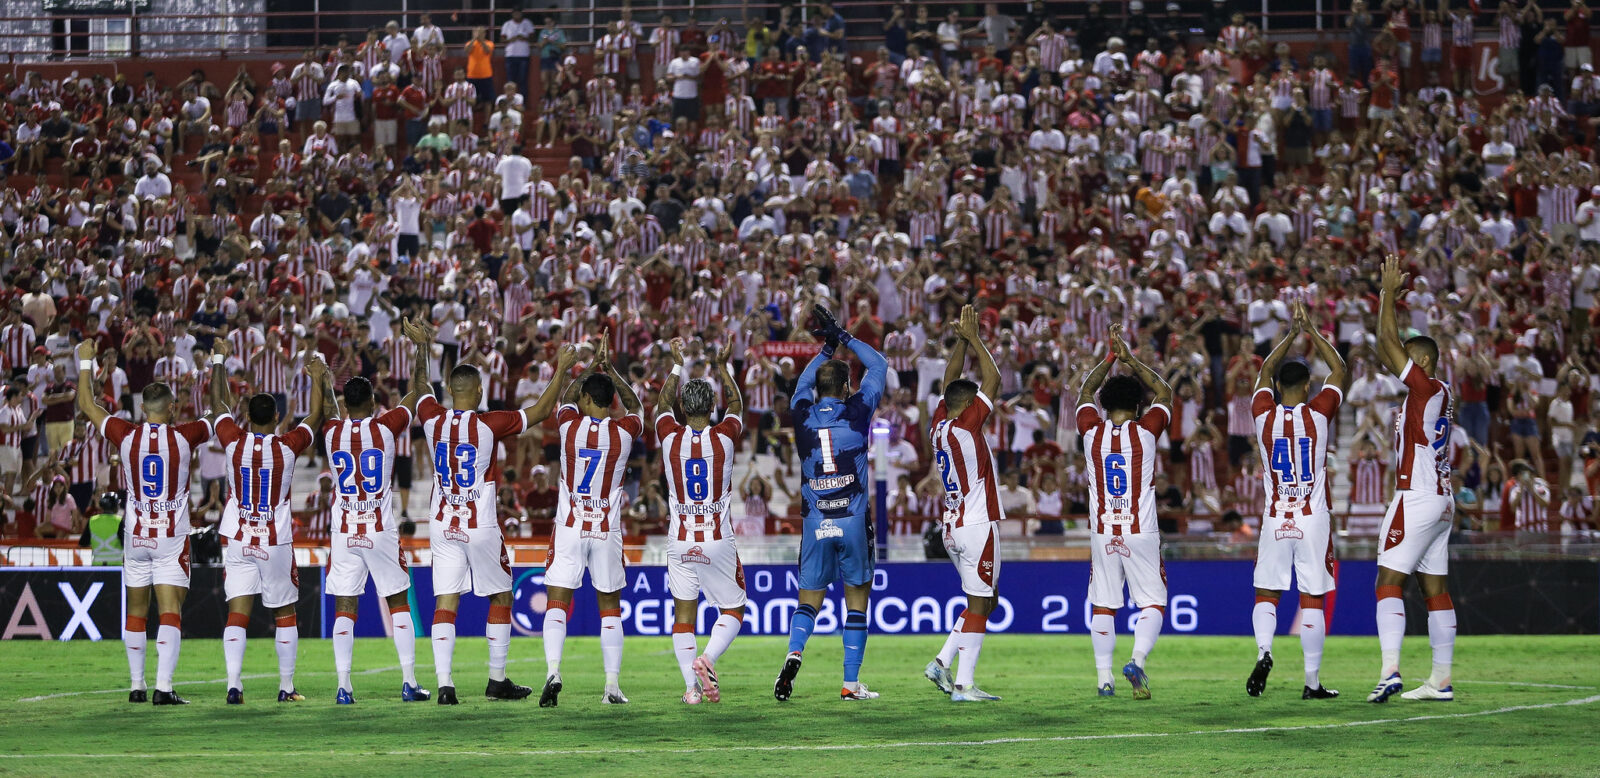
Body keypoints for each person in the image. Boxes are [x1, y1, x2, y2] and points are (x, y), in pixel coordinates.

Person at [421, 338, 577, 707]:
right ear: (477, 391)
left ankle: (445, 685)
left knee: (446, 600)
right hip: (479, 523)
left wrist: (420, 349)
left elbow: (419, 388)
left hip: (442, 523)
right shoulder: (490, 423)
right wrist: (561, 369)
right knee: (501, 594)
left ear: (449, 390)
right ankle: (496, 679)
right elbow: (539, 412)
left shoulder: (430, 417)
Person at [76, 338, 217, 706]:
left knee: (136, 611)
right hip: (170, 536)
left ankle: (137, 685)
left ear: (142, 408)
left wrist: (86, 363)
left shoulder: (126, 435)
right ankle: (163, 688)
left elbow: (87, 406)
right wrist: (217, 361)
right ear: (171, 409)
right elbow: (222, 413)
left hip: (136, 535)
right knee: (170, 610)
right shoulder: (185, 436)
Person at [774, 303, 888, 702]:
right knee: (856, 598)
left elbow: (799, 386)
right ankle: (850, 683)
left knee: (809, 601)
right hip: (853, 519)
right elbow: (880, 365)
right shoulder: (857, 412)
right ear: (844, 389)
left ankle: (794, 653)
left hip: (816, 520)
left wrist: (823, 351)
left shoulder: (802, 414)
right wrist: (844, 337)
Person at [211, 337, 329, 705]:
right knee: (284, 611)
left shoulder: (232, 440)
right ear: (277, 417)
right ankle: (286, 687)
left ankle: (234, 686)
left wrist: (219, 361)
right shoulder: (288, 445)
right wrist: (316, 380)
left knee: (237, 612)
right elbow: (315, 418)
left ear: (246, 417)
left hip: (239, 536)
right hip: (274, 538)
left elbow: (218, 406)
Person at [323, 317, 435, 704]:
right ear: (372, 402)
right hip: (379, 528)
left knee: (344, 606)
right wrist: (420, 348)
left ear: (343, 404)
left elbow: (325, 408)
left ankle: (343, 687)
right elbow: (419, 392)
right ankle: (408, 681)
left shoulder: (330, 432)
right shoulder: (386, 427)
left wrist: (321, 379)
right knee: (398, 600)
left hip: (343, 530)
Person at [1244, 302, 1348, 700]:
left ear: (1275, 388)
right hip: (1312, 517)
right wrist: (1312, 332)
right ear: (1307, 386)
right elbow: (1339, 370)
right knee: (1313, 598)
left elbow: (1262, 372)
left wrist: (1288, 336)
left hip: (1275, 517)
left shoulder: (1262, 415)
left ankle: (1265, 651)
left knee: (1267, 593)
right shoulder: (1319, 414)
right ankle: (1311, 682)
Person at [1367, 254, 1458, 703]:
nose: (1401, 362)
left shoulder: (1424, 387)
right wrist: (1388, 307)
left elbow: (1388, 339)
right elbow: (1384, 347)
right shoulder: (1437, 393)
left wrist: (1386, 293)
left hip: (1417, 496)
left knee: (1388, 582)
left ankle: (1389, 671)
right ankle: (1441, 680)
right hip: (1442, 502)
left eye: (1410, 357)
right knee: (1435, 589)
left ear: (1423, 360)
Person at [540, 332, 642, 707]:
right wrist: (611, 370)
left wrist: (579, 371)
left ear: (586, 399)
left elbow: (564, 402)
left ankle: (553, 671)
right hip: (605, 528)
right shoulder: (623, 434)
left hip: (569, 524)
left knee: (556, 601)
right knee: (610, 607)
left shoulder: (569, 427)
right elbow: (637, 411)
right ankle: (612, 686)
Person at [1075, 323, 1173, 699]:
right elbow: (1164, 391)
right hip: (1141, 528)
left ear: (1104, 405)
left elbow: (1085, 390)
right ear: (1137, 406)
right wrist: (1132, 360)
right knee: (1152, 601)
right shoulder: (1146, 431)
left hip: (1103, 530)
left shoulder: (1090, 432)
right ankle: (1137, 661)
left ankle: (1104, 679)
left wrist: (1111, 357)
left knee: (1104, 602)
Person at [655, 339, 746, 705]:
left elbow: (660, 405)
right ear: (712, 408)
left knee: (683, 613)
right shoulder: (724, 437)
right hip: (716, 537)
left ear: (682, 407)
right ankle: (707, 658)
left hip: (679, 538)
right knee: (734, 609)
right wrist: (723, 367)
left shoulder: (668, 436)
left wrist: (677, 367)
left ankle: (690, 691)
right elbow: (737, 405)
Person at [924, 305, 1005, 702]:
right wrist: (974, 338)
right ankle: (964, 685)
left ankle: (941, 661)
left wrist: (958, 339)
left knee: (986, 600)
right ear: (969, 405)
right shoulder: (968, 425)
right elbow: (995, 379)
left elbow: (948, 382)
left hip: (952, 526)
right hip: (976, 523)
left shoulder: (939, 425)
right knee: (980, 602)